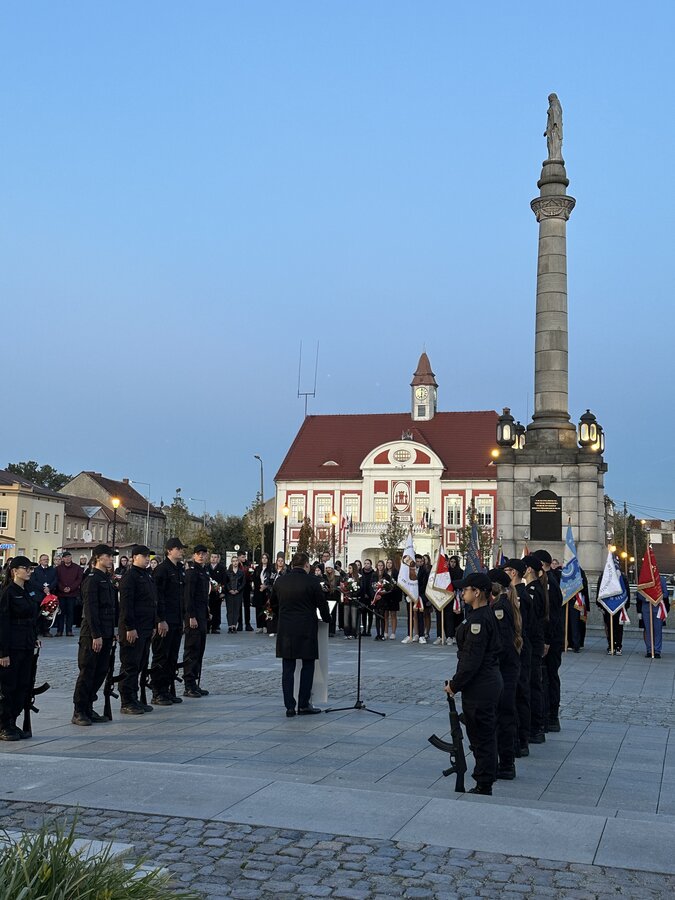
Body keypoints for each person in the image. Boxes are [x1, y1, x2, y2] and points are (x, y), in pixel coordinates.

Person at [444, 572, 503, 796]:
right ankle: (484, 777)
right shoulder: (478, 615)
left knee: (482, 736)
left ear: (476, 592)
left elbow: (472, 659)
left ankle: (484, 783)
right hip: (483, 683)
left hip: (481, 685)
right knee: (480, 734)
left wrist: (455, 685)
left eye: (465, 589)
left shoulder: (479, 619)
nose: (462, 593)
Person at [272, 551, 330, 716]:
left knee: (288, 667)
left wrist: (281, 615)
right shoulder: (312, 581)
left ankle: (289, 706)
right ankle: (303, 704)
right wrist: (327, 618)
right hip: (306, 628)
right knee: (308, 665)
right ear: (306, 565)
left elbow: (273, 604)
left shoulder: (280, 581)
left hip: (286, 628)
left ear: (292, 564)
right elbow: (321, 604)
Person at [72, 544, 116, 725]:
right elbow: (90, 610)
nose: (111, 559)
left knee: (101, 671)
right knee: (87, 671)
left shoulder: (106, 579)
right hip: (92, 633)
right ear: (98, 557)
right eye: (108, 556)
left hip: (105, 631)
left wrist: (111, 632)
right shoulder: (92, 579)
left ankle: (89, 706)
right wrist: (96, 634)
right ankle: (79, 710)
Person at [0, 557, 40, 741]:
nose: (29, 571)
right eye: (26, 568)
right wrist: (3, 652)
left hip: (26, 644)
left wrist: (35, 637)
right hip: (12, 645)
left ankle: (12, 721)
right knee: (8, 686)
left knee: (23, 684)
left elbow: (32, 618)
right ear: (15, 571)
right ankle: (3, 724)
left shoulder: (28, 590)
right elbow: (2, 623)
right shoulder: (8, 592)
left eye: (31, 569)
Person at [489, 568, 522, 780]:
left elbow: (502, 643)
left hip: (504, 669)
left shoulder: (500, 607)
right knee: (506, 715)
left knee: (504, 716)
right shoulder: (502, 604)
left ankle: (507, 763)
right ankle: (508, 756)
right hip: (508, 668)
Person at [118, 545, 157, 714]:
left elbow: (151, 602)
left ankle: (134, 698)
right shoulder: (130, 576)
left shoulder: (146, 575)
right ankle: (127, 701)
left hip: (146, 627)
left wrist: (153, 625)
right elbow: (126, 605)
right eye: (144, 556)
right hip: (133, 628)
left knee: (140, 664)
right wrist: (130, 627)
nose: (148, 559)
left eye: (149, 556)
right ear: (134, 557)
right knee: (130, 665)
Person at [150, 537, 186, 705]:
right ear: (169, 550)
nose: (181, 551)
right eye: (178, 548)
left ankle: (168, 689)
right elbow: (158, 597)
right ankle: (158, 691)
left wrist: (182, 618)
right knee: (161, 656)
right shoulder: (162, 570)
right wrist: (160, 619)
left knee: (172, 657)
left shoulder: (179, 569)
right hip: (165, 620)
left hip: (176, 619)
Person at [533, 549, 563, 733]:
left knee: (549, 676)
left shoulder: (549, 583)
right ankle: (545, 715)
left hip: (550, 639)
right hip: (547, 637)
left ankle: (551, 716)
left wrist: (547, 640)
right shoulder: (544, 582)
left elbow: (552, 616)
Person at [504, 558, 532, 758]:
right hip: (522, 648)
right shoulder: (520, 594)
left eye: (506, 570)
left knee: (519, 695)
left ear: (513, 573)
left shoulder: (522, 596)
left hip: (520, 649)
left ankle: (521, 740)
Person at [522, 554, 547, 744]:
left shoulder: (532, 590)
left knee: (532, 685)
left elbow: (533, 619)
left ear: (529, 569)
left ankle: (536, 727)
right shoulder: (536, 587)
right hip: (535, 640)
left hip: (533, 641)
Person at [183, 544, 211, 696]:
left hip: (202, 615)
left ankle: (195, 681)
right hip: (194, 616)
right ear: (194, 556)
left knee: (199, 649)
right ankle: (189, 684)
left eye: (203, 553)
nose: (201, 556)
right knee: (192, 649)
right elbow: (188, 596)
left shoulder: (203, 571)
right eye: (198, 553)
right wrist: (191, 616)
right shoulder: (192, 572)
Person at [596, 562, 630, 656]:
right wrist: (599, 605)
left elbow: (627, 591)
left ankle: (618, 646)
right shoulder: (604, 576)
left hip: (620, 606)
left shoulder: (622, 577)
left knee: (619, 627)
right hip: (607, 606)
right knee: (609, 626)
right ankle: (611, 645)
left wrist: (626, 605)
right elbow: (600, 590)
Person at [638, 574, 670, 658]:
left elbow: (665, 594)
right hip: (646, 608)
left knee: (657, 630)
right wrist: (647, 598)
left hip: (658, 607)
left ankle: (657, 651)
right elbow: (639, 594)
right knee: (648, 630)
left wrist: (656, 597)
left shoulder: (661, 579)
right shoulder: (644, 578)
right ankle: (649, 650)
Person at [29, 554, 58, 637]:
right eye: (44, 559)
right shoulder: (35, 570)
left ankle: (46, 630)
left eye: (47, 559)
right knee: (38, 613)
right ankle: (37, 630)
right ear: (40, 561)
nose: (46, 560)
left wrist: (49, 588)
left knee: (47, 613)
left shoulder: (52, 570)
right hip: (39, 595)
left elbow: (55, 580)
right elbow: (33, 581)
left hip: (49, 595)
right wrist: (43, 588)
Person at [56, 550, 84, 637]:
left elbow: (79, 579)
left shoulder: (77, 568)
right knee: (60, 613)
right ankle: (59, 630)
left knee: (70, 612)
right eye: (66, 557)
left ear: (71, 558)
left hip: (72, 594)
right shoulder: (58, 568)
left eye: (69, 557)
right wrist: (62, 588)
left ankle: (69, 630)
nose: (68, 559)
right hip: (61, 594)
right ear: (63, 559)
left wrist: (71, 588)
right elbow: (56, 580)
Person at [370, 559, 393, 640]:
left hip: (383, 599)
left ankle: (382, 634)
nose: (380, 567)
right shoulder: (373, 575)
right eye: (379, 565)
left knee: (382, 617)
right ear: (377, 566)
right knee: (377, 617)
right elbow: (371, 587)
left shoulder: (386, 576)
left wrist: (383, 593)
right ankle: (377, 634)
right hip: (376, 599)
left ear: (383, 566)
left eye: (381, 565)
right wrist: (374, 596)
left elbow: (389, 587)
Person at [225, 554, 246, 634]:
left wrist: (238, 590)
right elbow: (226, 582)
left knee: (236, 610)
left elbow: (243, 583)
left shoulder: (241, 572)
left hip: (238, 593)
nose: (235, 563)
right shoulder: (227, 572)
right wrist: (229, 590)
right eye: (233, 561)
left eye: (236, 561)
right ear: (231, 562)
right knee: (229, 609)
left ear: (238, 562)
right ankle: (230, 626)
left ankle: (234, 625)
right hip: (229, 593)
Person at [207, 552, 227, 634]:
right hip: (208, 592)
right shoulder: (206, 567)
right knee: (208, 609)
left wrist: (222, 592)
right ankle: (207, 626)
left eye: (215, 557)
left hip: (217, 592)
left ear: (218, 559)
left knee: (216, 610)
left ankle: (215, 626)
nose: (213, 558)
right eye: (212, 557)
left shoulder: (221, 568)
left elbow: (224, 580)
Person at [252, 553, 274, 633]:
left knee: (267, 609)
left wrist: (265, 586)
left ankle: (266, 626)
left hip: (267, 592)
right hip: (259, 591)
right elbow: (254, 579)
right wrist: (260, 586)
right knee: (258, 608)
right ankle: (259, 626)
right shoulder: (257, 568)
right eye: (263, 558)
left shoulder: (271, 569)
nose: (264, 559)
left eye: (266, 558)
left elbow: (271, 580)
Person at [319, 561, 342, 636]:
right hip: (326, 596)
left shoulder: (337, 576)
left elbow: (339, 586)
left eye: (330, 567)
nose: (328, 569)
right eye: (327, 568)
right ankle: (327, 629)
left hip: (334, 597)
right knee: (327, 612)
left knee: (333, 614)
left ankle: (332, 630)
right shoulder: (324, 576)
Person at [266, 555, 286, 637]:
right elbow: (268, 581)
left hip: (281, 594)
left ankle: (279, 629)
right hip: (271, 593)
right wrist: (271, 590)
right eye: (279, 561)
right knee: (269, 612)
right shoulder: (272, 571)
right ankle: (270, 629)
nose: (280, 562)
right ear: (276, 562)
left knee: (280, 612)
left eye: (282, 561)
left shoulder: (285, 572)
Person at [341, 562, 361, 639]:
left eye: (350, 568)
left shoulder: (359, 577)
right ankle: (346, 633)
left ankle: (353, 633)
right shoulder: (346, 577)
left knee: (353, 617)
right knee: (346, 617)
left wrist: (353, 594)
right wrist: (345, 591)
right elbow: (343, 585)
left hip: (354, 599)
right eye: (348, 568)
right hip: (346, 599)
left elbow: (360, 589)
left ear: (354, 569)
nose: (348, 569)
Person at [236, 551, 254, 632]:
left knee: (247, 605)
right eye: (242, 557)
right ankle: (239, 623)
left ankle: (248, 624)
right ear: (238, 557)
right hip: (238, 586)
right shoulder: (236, 564)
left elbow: (251, 574)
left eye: (245, 557)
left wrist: (251, 573)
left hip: (246, 586)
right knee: (239, 606)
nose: (244, 558)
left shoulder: (248, 564)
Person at [384, 557, 400, 639]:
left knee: (393, 614)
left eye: (390, 563)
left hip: (394, 596)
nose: (389, 564)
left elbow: (398, 584)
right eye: (388, 563)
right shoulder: (384, 572)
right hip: (386, 596)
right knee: (385, 614)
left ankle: (393, 633)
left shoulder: (396, 573)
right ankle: (385, 632)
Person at [359, 559, 376, 636]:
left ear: (371, 565)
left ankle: (369, 630)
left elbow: (374, 585)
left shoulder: (373, 573)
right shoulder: (361, 573)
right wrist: (364, 593)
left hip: (371, 596)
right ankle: (364, 630)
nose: (366, 565)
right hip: (363, 596)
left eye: (368, 563)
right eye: (365, 563)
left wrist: (371, 595)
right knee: (363, 613)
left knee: (370, 613)